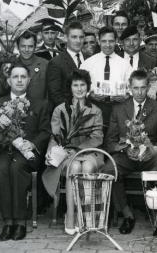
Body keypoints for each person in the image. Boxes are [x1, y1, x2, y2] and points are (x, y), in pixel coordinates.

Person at [101, 70, 157, 241]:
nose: (139, 92)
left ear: (148, 87)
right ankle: (127, 214)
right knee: (110, 169)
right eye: (135, 88)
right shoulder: (118, 109)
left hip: (150, 155)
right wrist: (125, 149)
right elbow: (110, 141)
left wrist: (154, 149)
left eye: (142, 88)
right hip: (127, 155)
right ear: (129, 88)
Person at [0, 62, 50, 241]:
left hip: (26, 153)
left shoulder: (40, 104)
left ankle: (20, 222)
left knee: (16, 168)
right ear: (9, 80)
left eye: (23, 77)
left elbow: (45, 131)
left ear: (29, 80)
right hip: (1, 150)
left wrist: (33, 143)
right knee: (1, 168)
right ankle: (8, 222)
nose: (19, 80)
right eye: (15, 77)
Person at [42, 69, 104, 235]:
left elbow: (97, 137)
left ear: (88, 87)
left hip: (90, 152)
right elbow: (55, 136)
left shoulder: (95, 110)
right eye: (75, 85)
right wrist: (51, 152)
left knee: (88, 167)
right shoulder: (60, 109)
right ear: (69, 87)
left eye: (82, 85)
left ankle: (86, 215)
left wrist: (78, 150)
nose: (79, 89)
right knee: (75, 167)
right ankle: (71, 215)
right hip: (67, 155)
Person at [80, 26, 132, 127]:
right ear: (98, 41)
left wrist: (127, 96)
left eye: (111, 41)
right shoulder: (88, 64)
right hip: (94, 106)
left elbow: (131, 87)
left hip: (118, 107)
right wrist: (89, 95)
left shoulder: (125, 64)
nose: (107, 45)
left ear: (116, 41)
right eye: (104, 41)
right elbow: (80, 86)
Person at [47, 21, 85, 107]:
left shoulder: (90, 59)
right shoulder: (56, 63)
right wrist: (72, 111)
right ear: (65, 38)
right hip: (67, 114)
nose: (78, 41)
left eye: (81, 37)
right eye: (74, 37)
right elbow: (55, 95)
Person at [16, 30, 48, 101]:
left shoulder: (45, 65)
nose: (26, 50)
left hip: (40, 110)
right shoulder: (11, 65)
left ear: (35, 47)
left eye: (30, 46)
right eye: (23, 46)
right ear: (18, 47)